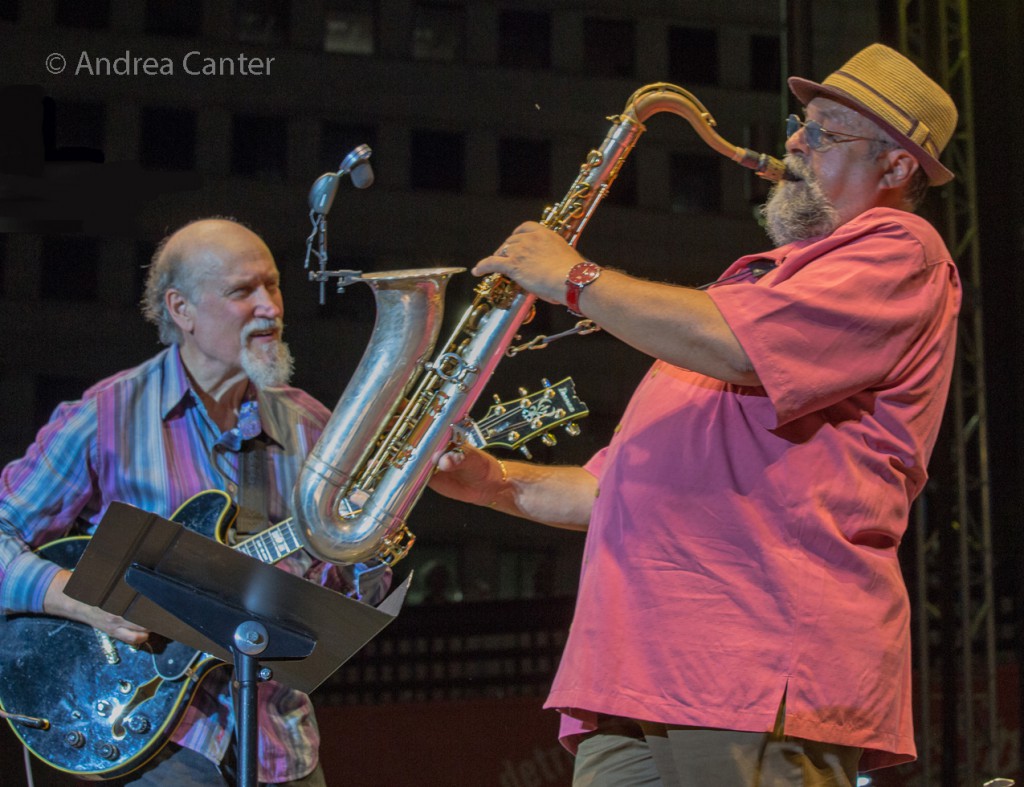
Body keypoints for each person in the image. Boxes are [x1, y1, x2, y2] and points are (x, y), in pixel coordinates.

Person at [430, 43, 961, 786]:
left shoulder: (901, 249)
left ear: (898, 166)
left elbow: (741, 349)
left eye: (826, 133)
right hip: (634, 672)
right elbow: (612, 490)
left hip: (752, 662)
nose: (795, 144)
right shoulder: (746, 294)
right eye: (800, 124)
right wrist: (494, 483)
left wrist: (572, 277)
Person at [0, 218, 389, 785]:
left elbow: (352, 597)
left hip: (281, 742)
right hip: (150, 735)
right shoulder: (106, 417)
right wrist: (79, 598)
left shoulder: (311, 427)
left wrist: (374, 546)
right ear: (180, 309)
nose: (270, 308)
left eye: (274, 286)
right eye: (242, 291)